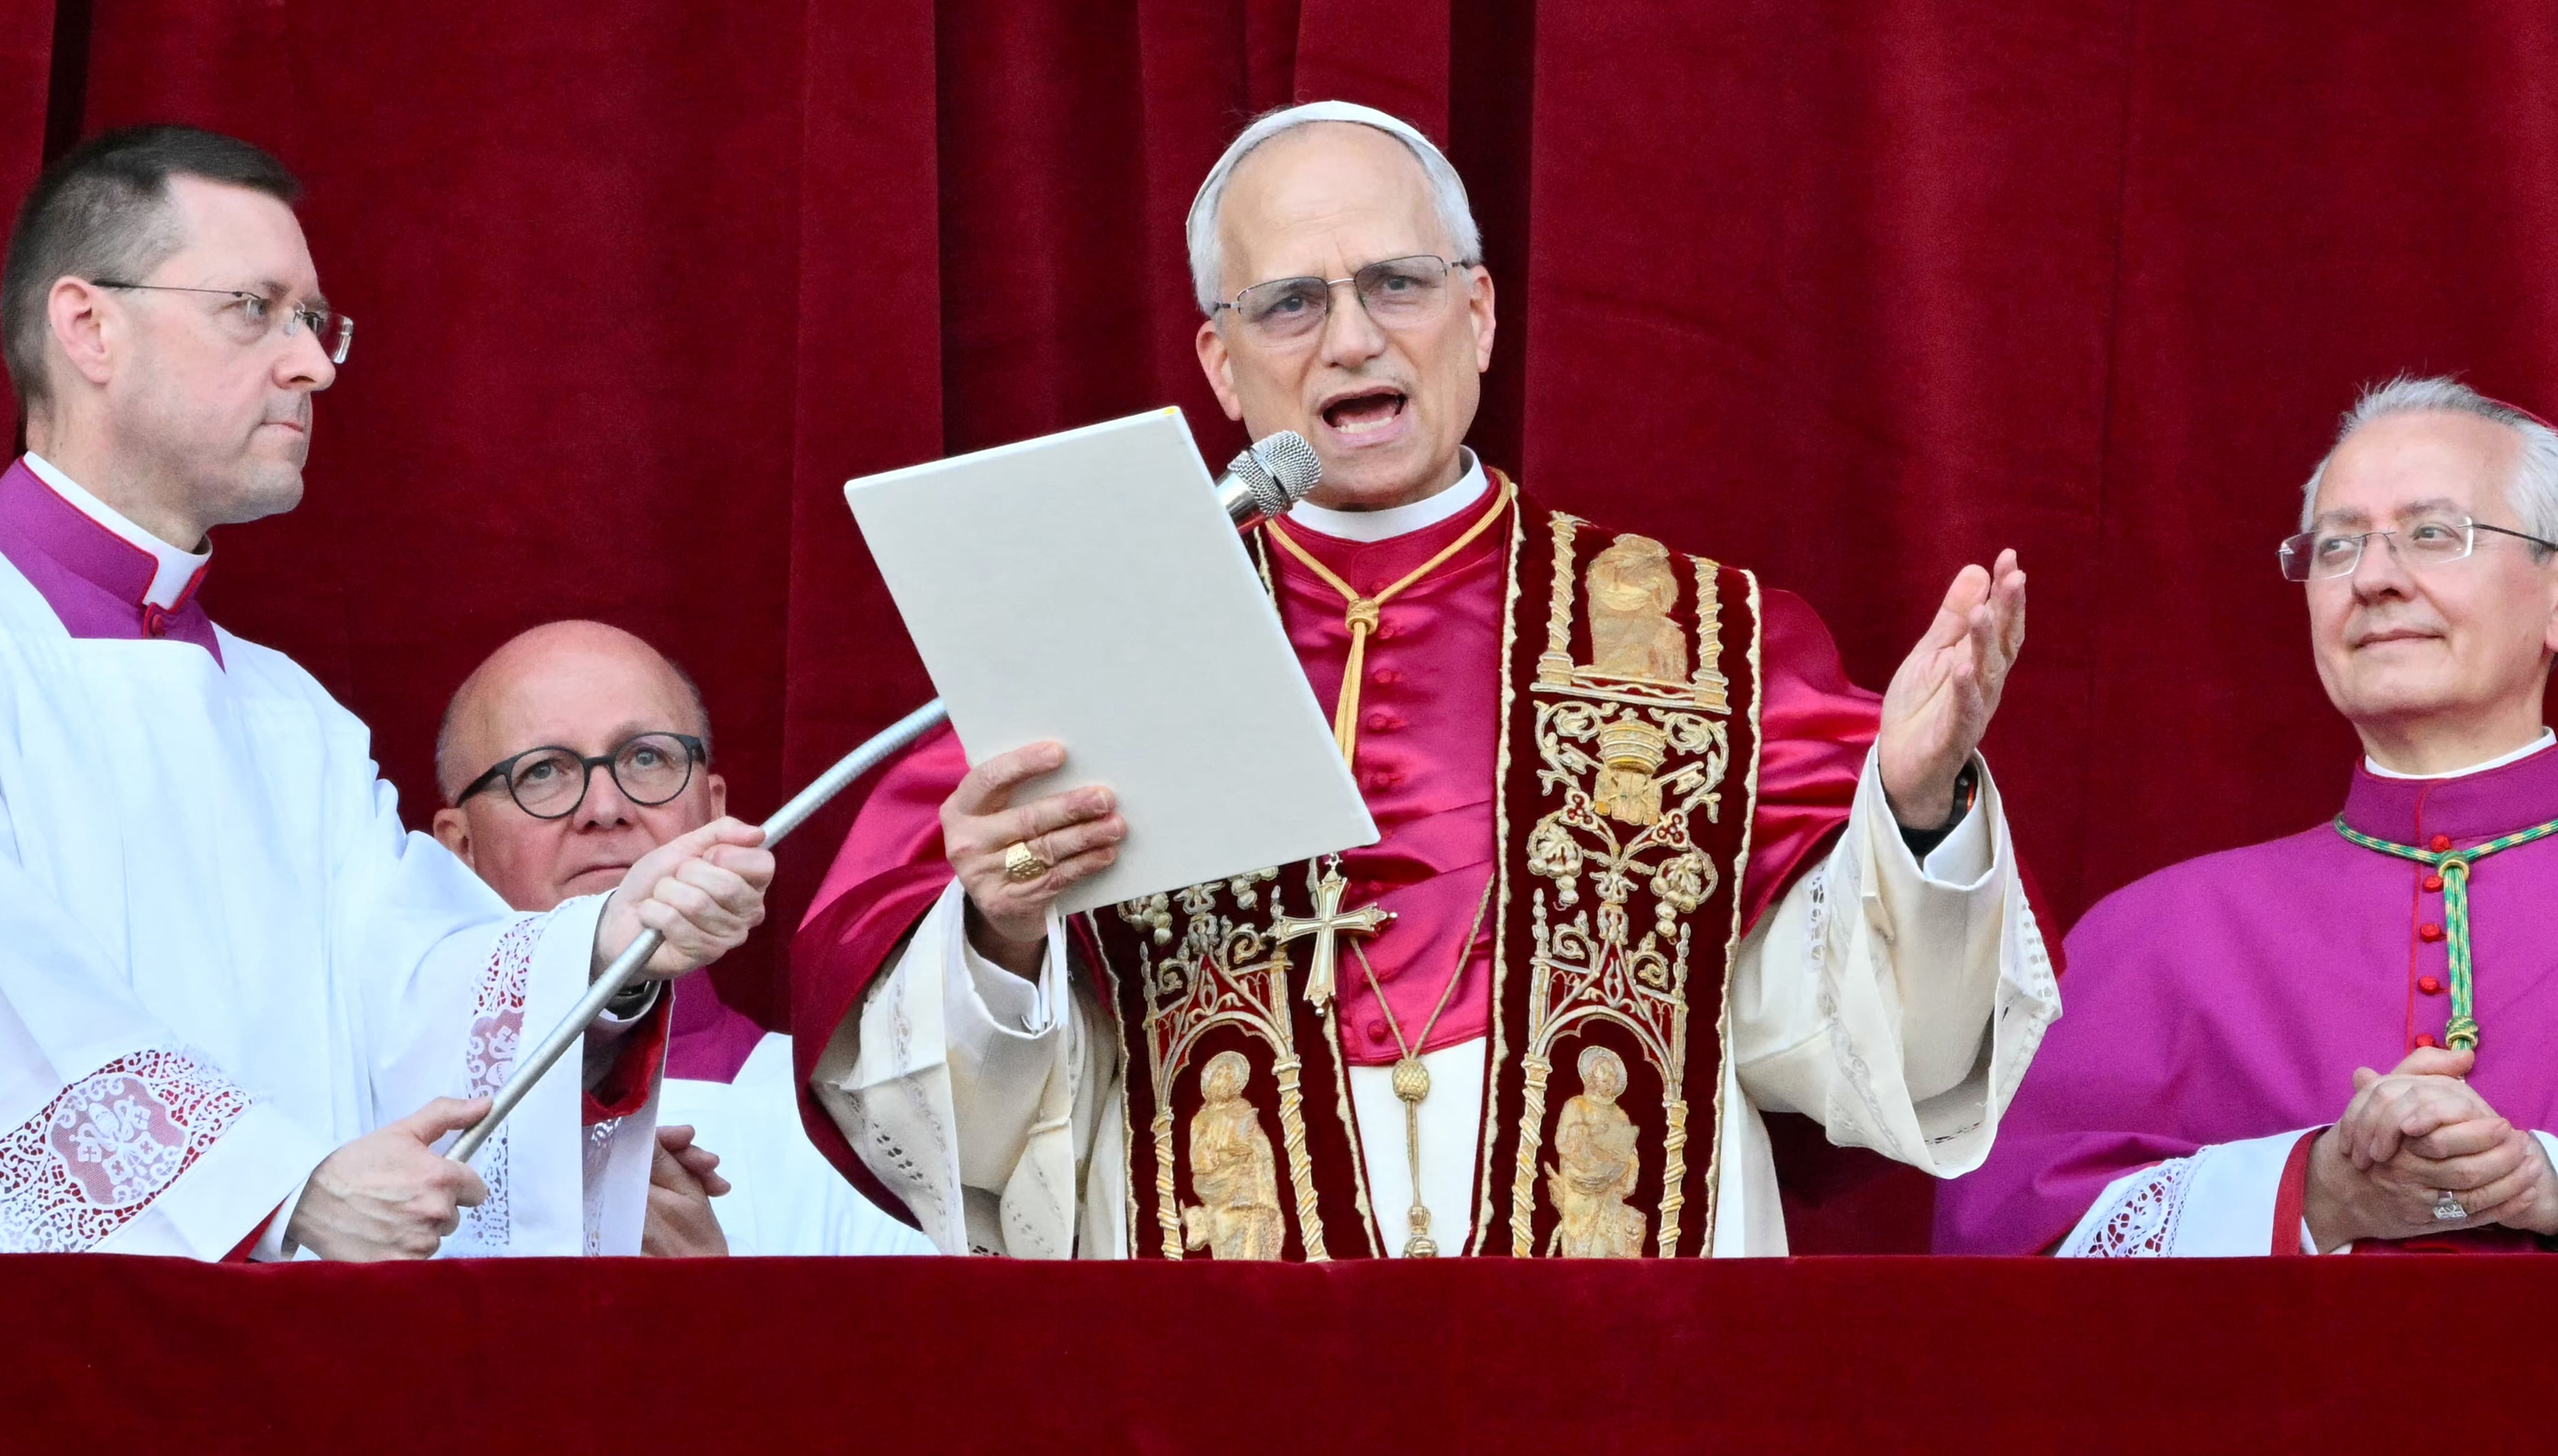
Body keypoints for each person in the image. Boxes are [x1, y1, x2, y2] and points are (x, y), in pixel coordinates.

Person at [790, 100, 2060, 1258]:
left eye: (1399, 282)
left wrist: (1913, 809)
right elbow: (964, 1134)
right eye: (1288, 303)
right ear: (1222, 363)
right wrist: (1002, 929)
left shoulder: (1701, 641)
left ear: (1480, 314)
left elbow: (1851, 1042)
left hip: (1623, 1373)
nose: (1352, 337)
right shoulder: (1088, 641)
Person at [0, 126, 771, 1259]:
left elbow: (406, 986)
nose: (313, 365)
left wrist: (606, 946)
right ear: (90, 325)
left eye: (315, 321)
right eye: (254, 308)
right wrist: (276, 1194)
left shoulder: (292, 717)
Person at [1937, 375, 2558, 1256]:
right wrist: (2315, 1192)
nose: (2373, 579)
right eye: (2336, 548)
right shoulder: (2154, 935)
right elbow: (2003, 1240)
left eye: (2432, 534)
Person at [432, 619, 933, 1256]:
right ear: (460, 847)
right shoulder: (379, 1112)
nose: (604, 807)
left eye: (646, 757)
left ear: (714, 810)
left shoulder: (852, 1115)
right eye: (542, 772)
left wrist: (718, 1309)